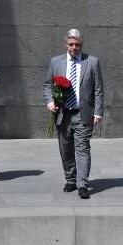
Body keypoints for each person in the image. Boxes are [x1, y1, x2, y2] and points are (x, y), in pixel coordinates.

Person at [43, 29, 104, 199]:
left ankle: (83, 183)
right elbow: (48, 85)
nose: (74, 47)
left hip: (83, 113)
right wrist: (50, 102)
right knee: (66, 149)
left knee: (83, 148)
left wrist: (98, 112)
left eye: (77, 45)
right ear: (66, 44)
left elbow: (98, 89)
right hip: (63, 113)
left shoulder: (92, 62)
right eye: (71, 44)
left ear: (81, 45)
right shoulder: (56, 62)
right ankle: (70, 179)